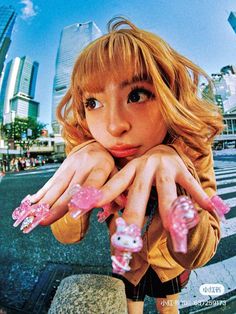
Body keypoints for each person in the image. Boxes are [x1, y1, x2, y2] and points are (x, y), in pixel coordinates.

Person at [28, 18, 224, 313]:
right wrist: (82, 176)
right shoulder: (91, 157)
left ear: (171, 96)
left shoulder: (192, 148)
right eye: (93, 103)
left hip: (169, 266)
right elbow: (67, 235)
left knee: (167, 308)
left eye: (137, 95)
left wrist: (179, 178)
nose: (114, 125)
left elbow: (199, 253)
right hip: (126, 262)